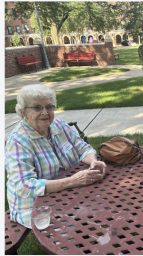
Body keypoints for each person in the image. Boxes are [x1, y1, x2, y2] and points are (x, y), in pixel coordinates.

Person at [6, 84, 107, 228]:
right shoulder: (18, 141)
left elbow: (82, 148)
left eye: (49, 107)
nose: (45, 112)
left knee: (102, 202)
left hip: (66, 191)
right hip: (34, 204)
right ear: (23, 112)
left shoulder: (59, 125)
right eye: (37, 108)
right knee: (70, 225)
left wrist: (93, 161)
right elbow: (24, 186)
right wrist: (72, 181)